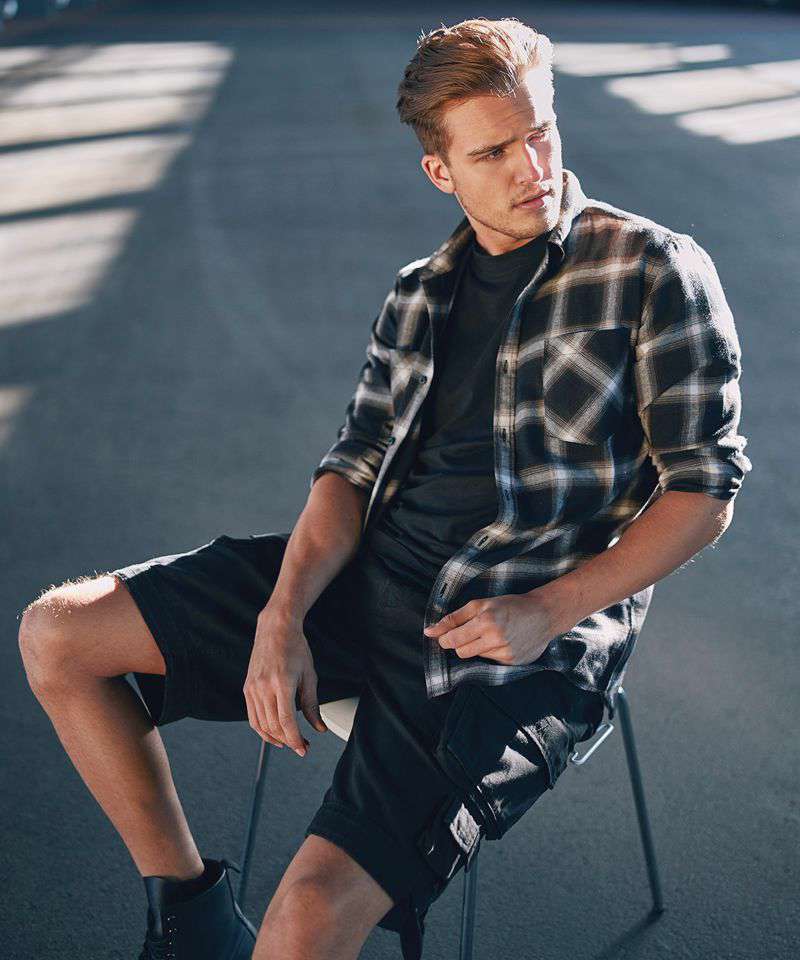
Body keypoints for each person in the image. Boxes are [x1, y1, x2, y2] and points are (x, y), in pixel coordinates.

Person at [17, 16, 752, 960]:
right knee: (58, 635)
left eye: (540, 133)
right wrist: (282, 616)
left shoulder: (652, 269)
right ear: (440, 171)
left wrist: (551, 609)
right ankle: (191, 917)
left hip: (507, 639)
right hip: (368, 584)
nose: (532, 167)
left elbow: (705, 490)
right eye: (493, 152)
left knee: (303, 923)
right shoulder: (419, 292)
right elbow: (350, 470)